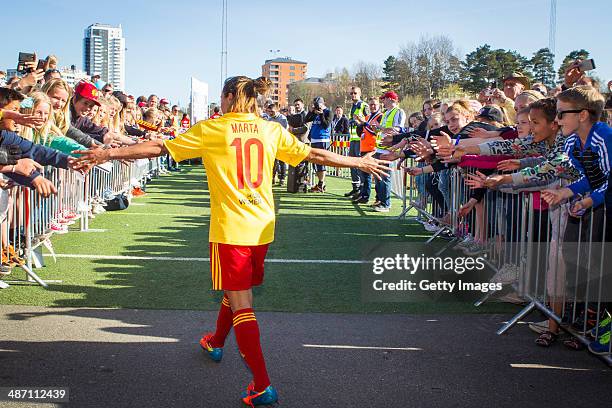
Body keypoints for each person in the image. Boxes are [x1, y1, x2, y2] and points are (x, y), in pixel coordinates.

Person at [71, 75, 389, 406]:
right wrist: (358, 161)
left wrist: (105, 155)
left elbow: (160, 147)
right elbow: (314, 156)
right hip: (263, 227)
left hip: (232, 228)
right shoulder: (270, 130)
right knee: (237, 290)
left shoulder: (215, 128)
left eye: (222, 98)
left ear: (226, 97)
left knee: (242, 303)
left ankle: (262, 385)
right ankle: (215, 341)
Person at [373, 91, 405, 212]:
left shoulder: (399, 112)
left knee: (385, 176)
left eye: (384, 99)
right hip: (380, 148)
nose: (383, 101)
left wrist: (380, 127)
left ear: (391, 99)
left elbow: (397, 129)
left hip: (388, 149)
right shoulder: (386, 112)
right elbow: (384, 130)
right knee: (378, 176)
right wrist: (377, 129)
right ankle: (380, 200)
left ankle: (386, 204)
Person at [344, 86, 369, 198]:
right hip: (353, 139)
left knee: (359, 165)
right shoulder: (352, 107)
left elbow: (368, 121)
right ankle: (355, 188)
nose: (353, 95)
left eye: (355, 93)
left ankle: (362, 190)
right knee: (352, 164)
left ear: (360, 94)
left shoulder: (364, 105)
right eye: (351, 93)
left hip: (361, 139)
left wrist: (359, 122)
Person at [304, 96, 332, 192]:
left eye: (318, 103)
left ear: (323, 103)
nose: (317, 105)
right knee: (315, 162)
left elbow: (326, 125)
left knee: (321, 162)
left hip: (323, 139)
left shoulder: (328, 112)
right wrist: (311, 111)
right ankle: (321, 183)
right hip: (314, 139)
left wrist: (321, 114)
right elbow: (305, 120)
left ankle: (321, 183)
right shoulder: (315, 112)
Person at [264, 102, 289, 185]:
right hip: (272, 143)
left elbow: (285, 130)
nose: (270, 113)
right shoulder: (270, 119)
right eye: (269, 112)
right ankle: (272, 178)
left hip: (281, 142)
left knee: (282, 161)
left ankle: (282, 178)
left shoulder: (283, 119)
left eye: (272, 111)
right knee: (273, 162)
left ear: (277, 110)